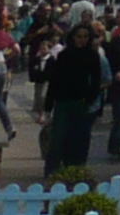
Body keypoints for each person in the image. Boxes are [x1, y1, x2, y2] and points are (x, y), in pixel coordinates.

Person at [39, 20, 109, 177]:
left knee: (79, 138)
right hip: (63, 102)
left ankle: (76, 170)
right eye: (79, 36)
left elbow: (96, 81)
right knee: (58, 138)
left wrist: (89, 99)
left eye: (85, 37)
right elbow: (54, 82)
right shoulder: (64, 55)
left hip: (81, 103)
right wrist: (48, 107)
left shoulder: (92, 56)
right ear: (73, 37)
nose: (81, 40)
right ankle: (53, 171)